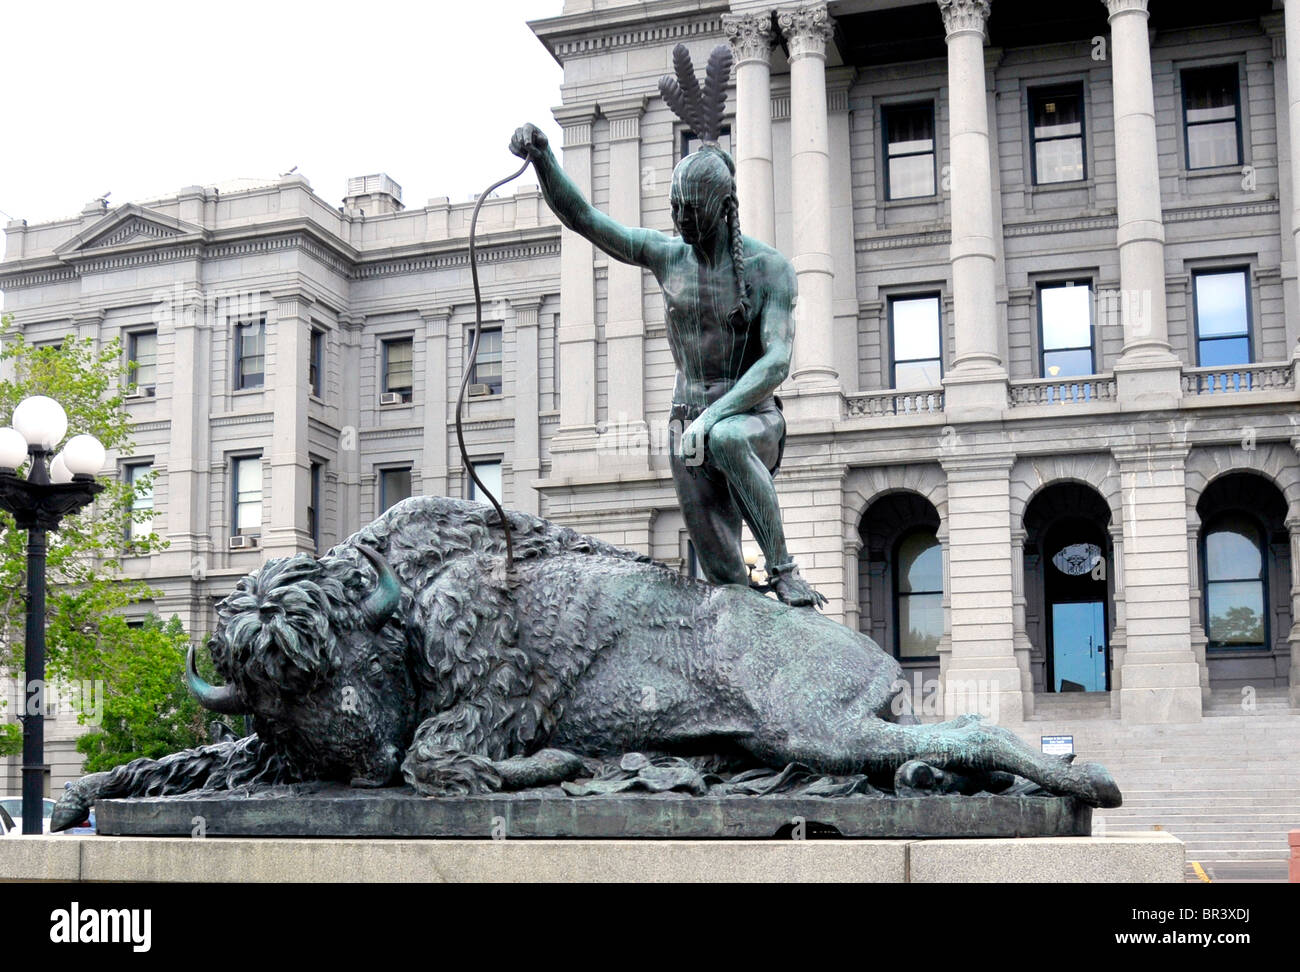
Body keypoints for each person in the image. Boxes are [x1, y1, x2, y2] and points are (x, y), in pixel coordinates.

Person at [510, 50, 824, 608]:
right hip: (686, 425)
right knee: (726, 580)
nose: (678, 220)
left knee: (725, 438)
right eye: (675, 206)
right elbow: (586, 219)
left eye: (690, 210)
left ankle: (784, 569)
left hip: (751, 420)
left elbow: (776, 363)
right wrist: (543, 161)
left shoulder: (770, 269)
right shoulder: (666, 256)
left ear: (723, 208)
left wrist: (713, 415)